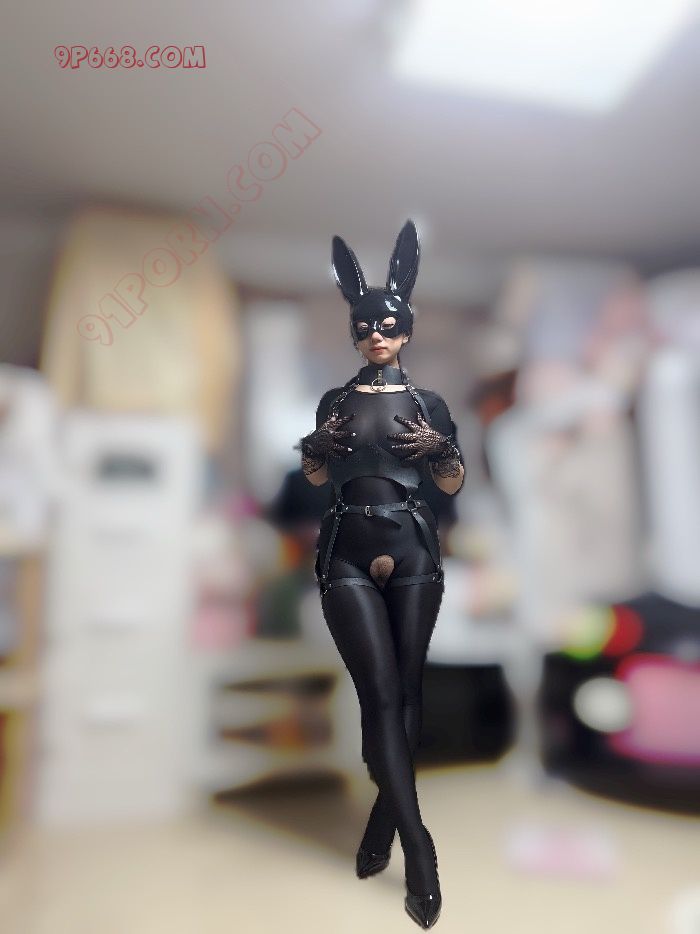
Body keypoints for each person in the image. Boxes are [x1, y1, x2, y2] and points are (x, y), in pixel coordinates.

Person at [295, 221, 464, 929]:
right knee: (379, 695)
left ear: (407, 329)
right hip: (346, 548)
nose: (377, 335)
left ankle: (382, 823)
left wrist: (440, 448)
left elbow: (451, 484)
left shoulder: (429, 404)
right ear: (353, 330)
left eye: (389, 325)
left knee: (407, 690)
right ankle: (418, 846)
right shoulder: (334, 402)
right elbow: (316, 478)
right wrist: (314, 445)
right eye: (365, 326)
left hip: (414, 545)